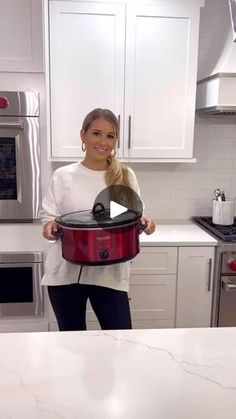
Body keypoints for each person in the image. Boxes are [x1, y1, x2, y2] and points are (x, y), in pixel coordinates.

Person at [40, 108, 155, 331]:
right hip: (65, 274)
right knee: (73, 344)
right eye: (96, 133)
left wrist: (146, 225)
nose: (103, 141)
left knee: (119, 340)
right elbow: (47, 222)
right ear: (83, 135)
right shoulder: (63, 176)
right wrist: (51, 228)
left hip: (110, 274)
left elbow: (133, 220)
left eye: (110, 136)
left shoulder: (125, 175)